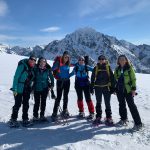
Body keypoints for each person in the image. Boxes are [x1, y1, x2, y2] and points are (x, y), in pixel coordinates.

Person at [114, 55, 143, 130]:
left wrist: (133, 89)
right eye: (120, 59)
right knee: (121, 105)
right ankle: (124, 119)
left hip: (128, 90)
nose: (122, 61)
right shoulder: (117, 69)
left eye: (123, 59)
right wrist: (115, 89)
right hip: (119, 90)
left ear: (126, 60)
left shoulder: (129, 68)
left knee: (132, 106)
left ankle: (138, 123)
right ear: (118, 61)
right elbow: (114, 79)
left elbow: (133, 79)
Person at [9, 55, 36, 127]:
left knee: (26, 104)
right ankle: (13, 119)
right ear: (29, 60)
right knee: (18, 104)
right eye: (31, 60)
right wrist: (14, 88)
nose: (32, 62)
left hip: (27, 89)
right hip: (19, 88)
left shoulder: (32, 68)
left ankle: (25, 119)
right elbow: (16, 77)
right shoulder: (22, 66)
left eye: (34, 61)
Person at [91, 55, 115, 125]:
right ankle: (98, 116)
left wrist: (112, 87)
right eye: (100, 59)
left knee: (107, 103)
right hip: (97, 87)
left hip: (106, 88)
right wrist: (91, 87)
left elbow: (112, 78)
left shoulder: (108, 67)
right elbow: (92, 78)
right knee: (98, 102)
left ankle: (109, 117)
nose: (101, 60)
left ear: (105, 60)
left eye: (102, 59)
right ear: (98, 60)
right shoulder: (96, 68)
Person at [51, 51, 72, 122]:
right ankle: (54, 113)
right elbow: (52, 69)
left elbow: (74, 65)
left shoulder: (68, 64)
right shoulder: (58, 63)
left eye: (67, 57)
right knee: (59, 97)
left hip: (67, 81)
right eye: (65, 56)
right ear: (63, 56)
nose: (66, 58)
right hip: (60, 81)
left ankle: (65, 110)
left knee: (65, 96)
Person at [33, 57, 54, 122]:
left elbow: (51, 77)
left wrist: (52, 84)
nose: (42, 63)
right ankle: (35, 116)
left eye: (44, 61)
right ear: (39, 62)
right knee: (37, 103)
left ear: (45, 63)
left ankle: (42, 116)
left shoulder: (48, 70)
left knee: (43, 103)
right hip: (37, 88)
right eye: (41, 61)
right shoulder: (35, 69)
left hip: (45, 88)